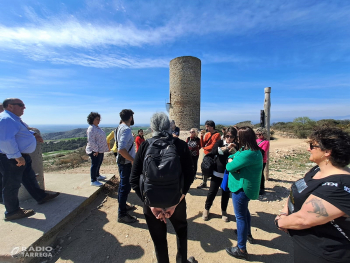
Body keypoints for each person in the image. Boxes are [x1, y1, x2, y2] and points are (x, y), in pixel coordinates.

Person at [275, 128, 350, 263]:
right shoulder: (317, 169)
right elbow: (298, 189)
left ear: (327, 152)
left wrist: (280, 221)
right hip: (306, 246)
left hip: (324, 254)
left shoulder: (339, 186)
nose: (308, 149)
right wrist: (284, 212)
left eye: (312, 146)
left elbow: (304, 219)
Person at [130, 112, 196, 263]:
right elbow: (189, 174)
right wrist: (178, 199)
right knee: (181, 231)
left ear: (152, 127)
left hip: (151, 200)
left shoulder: (146, 145)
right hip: (176, 199)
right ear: (169, 126)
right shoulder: (180, 144)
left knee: (159, 240)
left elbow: (133, 179)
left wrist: (151, 204)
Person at [0, 98, 60, 221]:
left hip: (21, 156)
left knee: (29, 177)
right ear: (10, 106)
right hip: (12, 158)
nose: (24, 107)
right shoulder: (6, 119)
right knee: (12, 184)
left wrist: (34, 134)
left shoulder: (14, 119)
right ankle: (12, 211)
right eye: (21, 105)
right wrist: (17, 157)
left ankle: (40, 197)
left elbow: (24, 131)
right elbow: (5, 140)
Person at [225, 126, 263, 260]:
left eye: (239, 137)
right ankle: (247, 234)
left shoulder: (248, 153)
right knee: (245, 212)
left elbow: (229, 166)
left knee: (240, 217)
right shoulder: (252, 150)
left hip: (241, 189)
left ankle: (241, 249)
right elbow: (233, 155)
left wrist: (231, 162)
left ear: (243, 138)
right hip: (245, 188)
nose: (237, 139)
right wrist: (233, 159)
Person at [203, 127, 238, 222]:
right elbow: (214, 151)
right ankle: (206, 209)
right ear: (225, 135)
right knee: (212, 192)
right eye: (227, 136)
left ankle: (223, 211)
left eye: (231, 136)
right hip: (217, 172)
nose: (229, 138)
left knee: (226, 194)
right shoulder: (220, 142)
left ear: (235, 137)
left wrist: (234, 151)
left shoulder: (237, 145)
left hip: (228, 174)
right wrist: (227, 147)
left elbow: (239, 157)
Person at [116, 109, 137, 224]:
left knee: (122, 186)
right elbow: (121, 149)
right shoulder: (126, 130)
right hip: (126, 163)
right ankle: (122, 214)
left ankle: (123, 206)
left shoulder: (119, 127)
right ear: (130, 117)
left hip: (122, 162)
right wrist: (132, 159)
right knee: (125, 187)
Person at [85, 112, 109, 187]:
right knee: (95, 164)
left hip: (100, 150)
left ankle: (97, 175)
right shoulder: (91, 128)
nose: (98, 121)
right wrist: (95, 150)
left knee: (99, 163)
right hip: (94, 150)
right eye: (97, 119)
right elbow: (91, 141)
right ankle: (93, 180)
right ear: (92, 119)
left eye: (99, 119)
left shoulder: (96, 127)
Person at [197, 120, 221, 189]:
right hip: (206, 153)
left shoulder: (217, 135)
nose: (206, 128)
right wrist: (202, 136)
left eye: (207, 127)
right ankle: (204, 183)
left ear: (212, 127)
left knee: (213, 168)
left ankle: (213, 184)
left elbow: (213, 145)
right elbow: (202, 144)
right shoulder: (207, 134)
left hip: (212, 154)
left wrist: (204, 148)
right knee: (205, 167)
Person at [255, 127, 270, 195]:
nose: (258, 135)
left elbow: (263, 151)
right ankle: (256, 187)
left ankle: (262, 188)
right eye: (257, 134)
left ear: (263, 134)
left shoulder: (266, 142)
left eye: (259, 134)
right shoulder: (256, 140)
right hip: (255, 159)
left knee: (260, 174)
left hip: (262, 160)